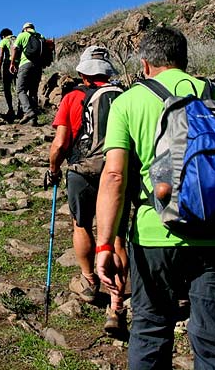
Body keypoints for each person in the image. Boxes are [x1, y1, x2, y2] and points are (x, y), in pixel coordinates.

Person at [95, 25, 215, 369]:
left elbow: (115, 176)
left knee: (150, 331)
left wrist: (105, 244)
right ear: (183, 59)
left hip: (157, 233)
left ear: (145, 62)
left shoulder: (128, 101)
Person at [45, 46, 129, 337]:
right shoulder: (123, 96)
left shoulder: (71, 97)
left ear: (82, 72)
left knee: (81, 226)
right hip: (117, 171)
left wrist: (54, 168)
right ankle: (116, 305)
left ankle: (90, 281)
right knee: (117, 235)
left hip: (82, 170)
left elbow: (60, 143)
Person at [9, 22, 43, 125]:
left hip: (25, 65)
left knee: (20, 90)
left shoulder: (22, 35)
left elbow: (14, 48)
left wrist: (12, 63)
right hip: (38, 66)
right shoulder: (40, 36)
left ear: (24, 29)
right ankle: (34, 119)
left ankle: (28, 112)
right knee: (33, 92)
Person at [0, 28, 21, 119]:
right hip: (19, 64)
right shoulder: (18, 39)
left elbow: (1, 55)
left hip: (8, 64)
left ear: (3, 35)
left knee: (7, 88)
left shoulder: (4, 40)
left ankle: (10, 109)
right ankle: (20, 109)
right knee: (19, 87)